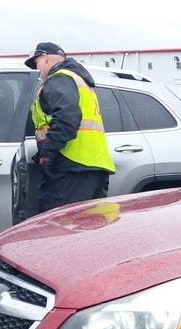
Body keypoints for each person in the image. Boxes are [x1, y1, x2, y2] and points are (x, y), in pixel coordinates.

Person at [24, 42, 116, 212]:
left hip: (70, 166)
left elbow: (67, 118)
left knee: (59, 222)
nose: (37, 69)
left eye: (36, 63)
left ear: (44, 57)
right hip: (93, 165)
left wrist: (47, 154)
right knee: (90, 222)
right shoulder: (79, 80)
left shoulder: (59, 79)